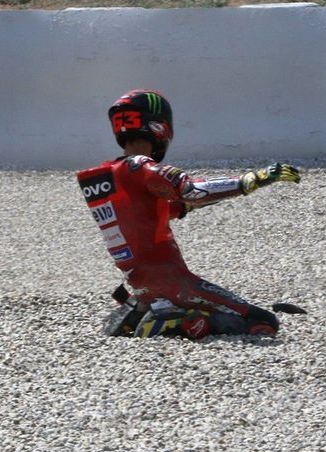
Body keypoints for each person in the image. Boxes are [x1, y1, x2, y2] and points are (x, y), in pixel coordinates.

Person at [77, 89, 301, 338]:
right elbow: (191, 191)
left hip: (141, 283)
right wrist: (253, 179)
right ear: (159, 126)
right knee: (262, 321)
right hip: (172, 281)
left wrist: (210, 199)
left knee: (178, 299)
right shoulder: (140, 167)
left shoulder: (106, 174)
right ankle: (171, 321)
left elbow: (169, 209)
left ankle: (147, 308)